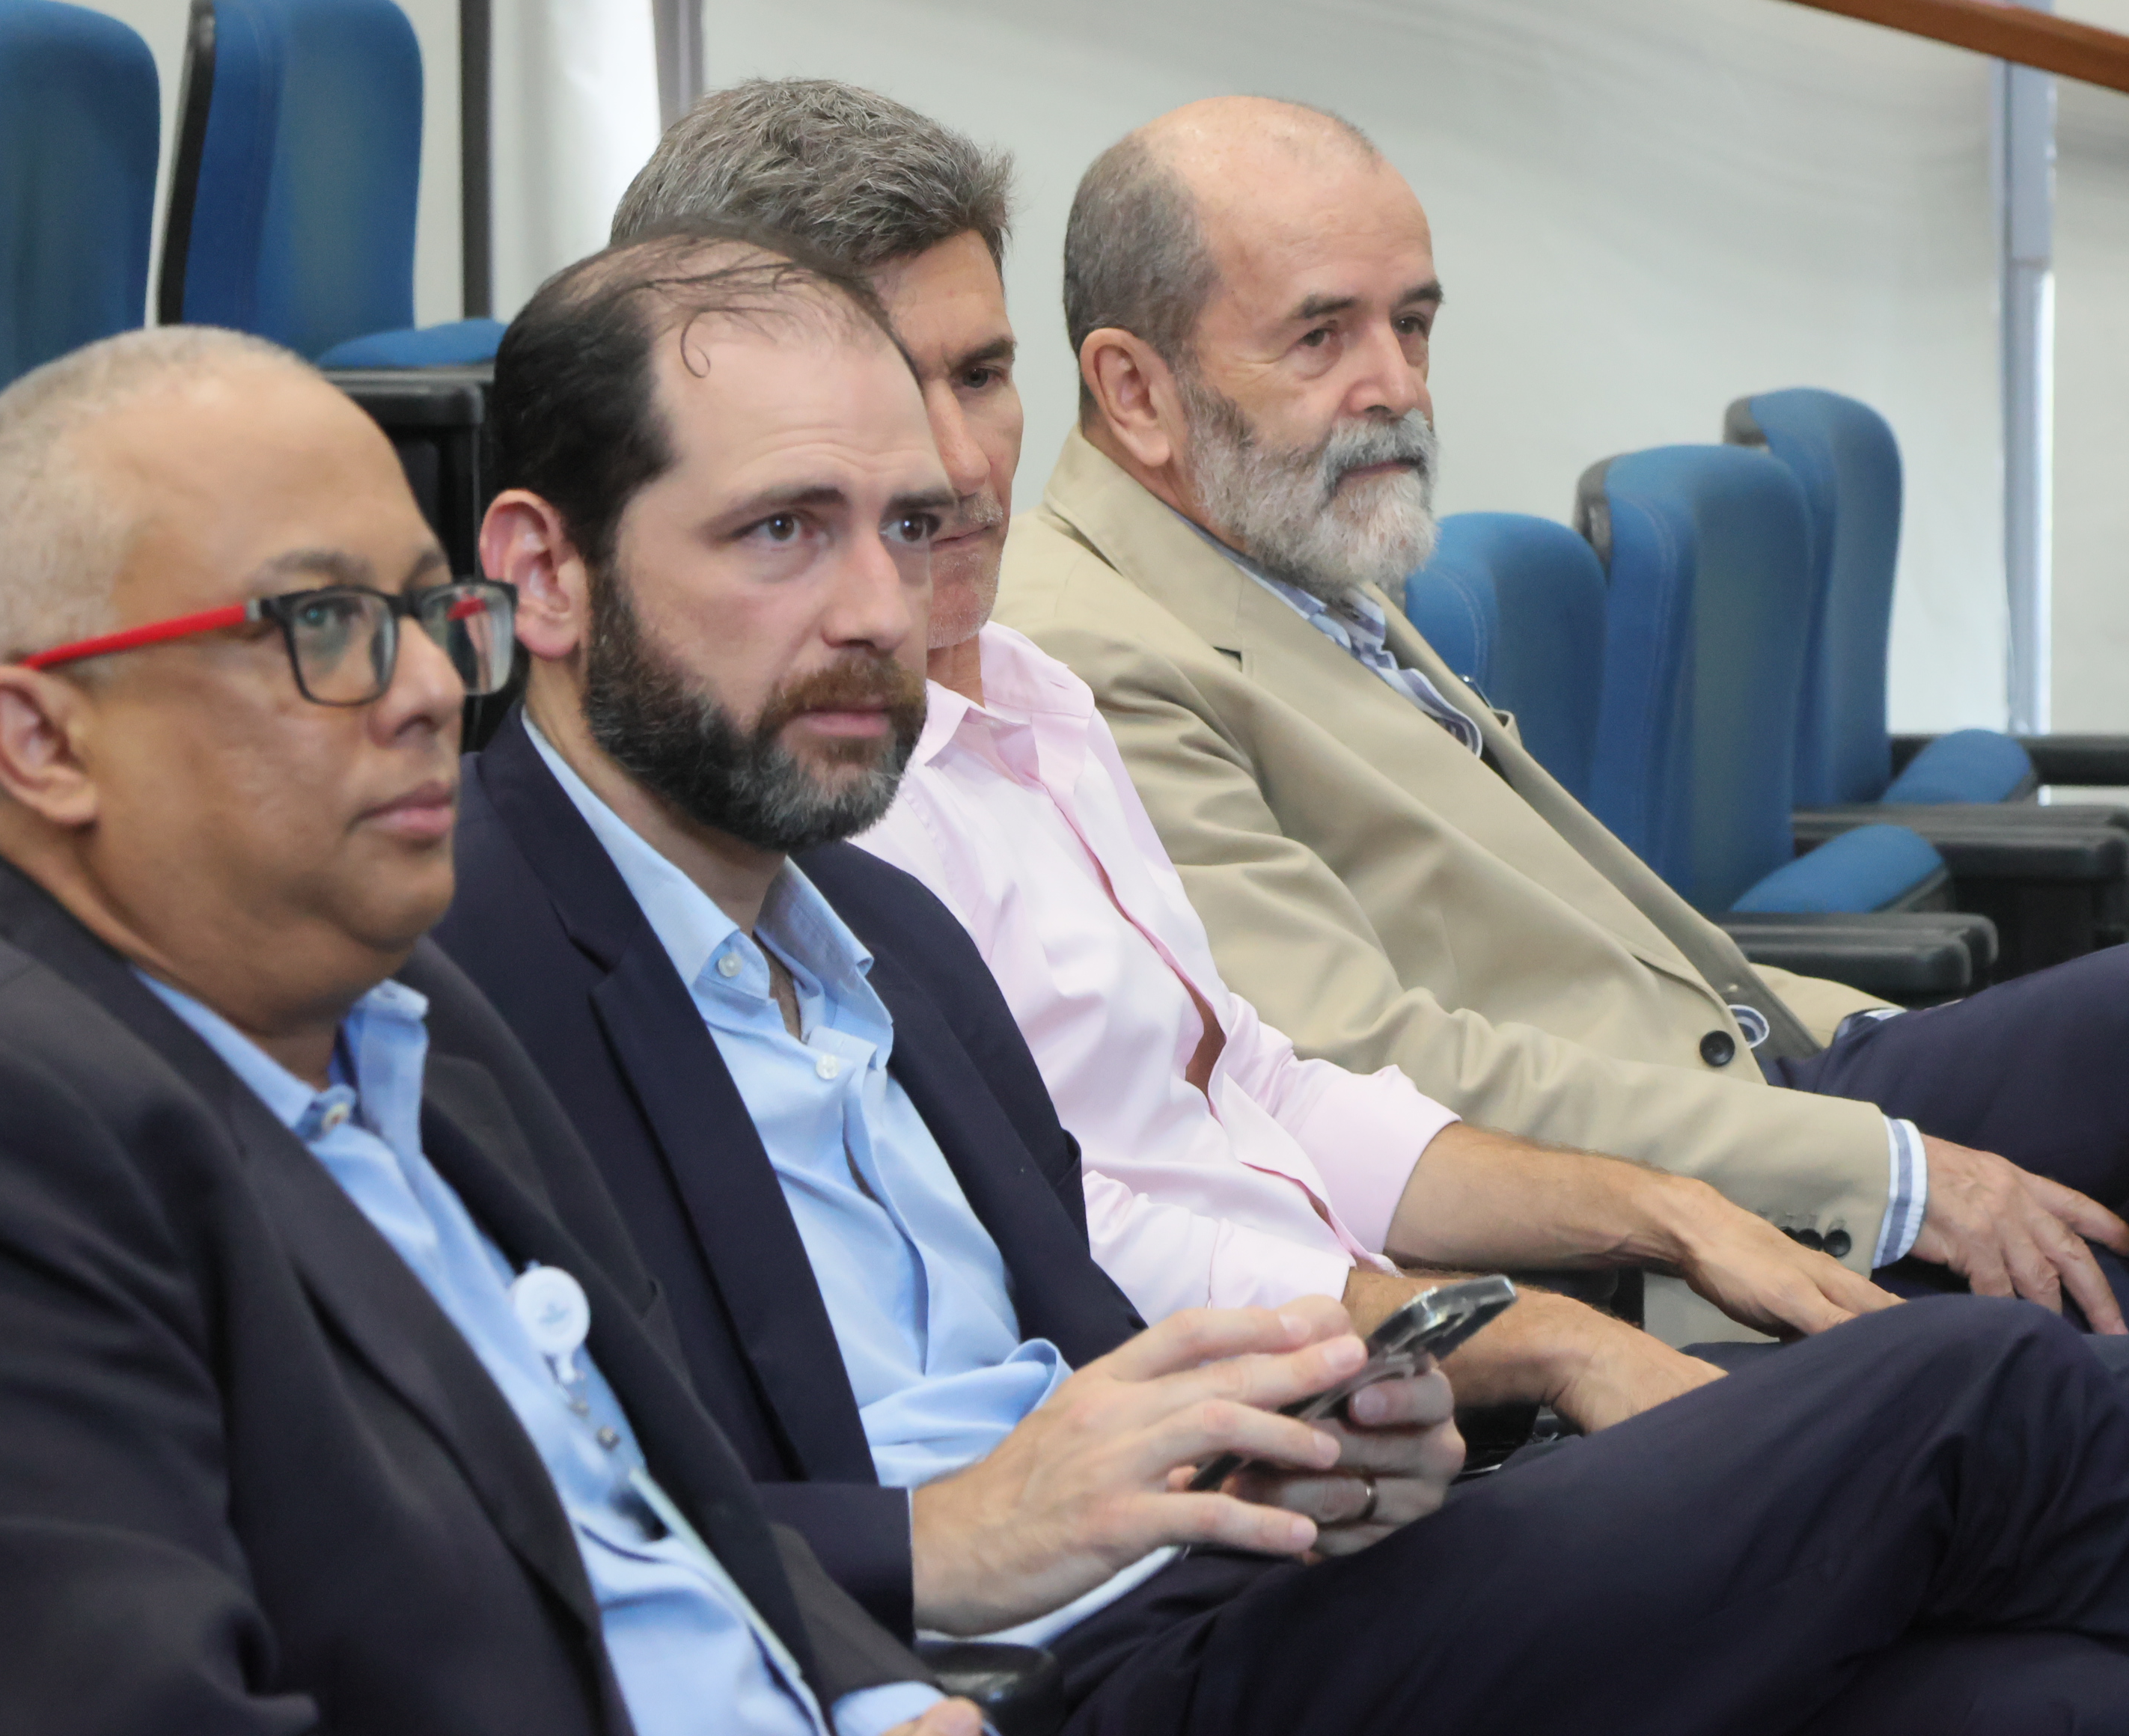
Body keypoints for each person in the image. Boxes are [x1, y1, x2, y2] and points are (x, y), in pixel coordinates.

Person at [436, 222, 2129, 1731]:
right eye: (784, 532)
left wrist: (1296, 1444)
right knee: (1972, 1387)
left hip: (1223, 1575)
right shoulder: (443, 988)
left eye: (907, 526)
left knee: (2041, 1694)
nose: (880, 606)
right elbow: (474, 1535)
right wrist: (948, 1535)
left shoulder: (887, 928)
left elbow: (1122, 1284)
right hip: (1008, 1678)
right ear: (543, 572)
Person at [0, 327, 978, 1736]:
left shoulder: (393, 1004)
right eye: (326, 627)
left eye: (430, 613)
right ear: (44, 741)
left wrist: (888, 1703)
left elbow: (663, 1503)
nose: (431, 691)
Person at [605, 77, 1910, 1437]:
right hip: (1253, 1441)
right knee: (1984, 1405)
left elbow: (1260, 1084)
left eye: (984, 377)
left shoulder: (1040, 691)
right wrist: (1523, 1344)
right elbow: (1065, 1231)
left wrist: (1667, 1214)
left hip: (1384, 1372)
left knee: (1987, 1390)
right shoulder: (815, 799)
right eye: (881, 391)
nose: (960, 465)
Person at [997, 94, 2129, 1342]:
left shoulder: (1283, 543)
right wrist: (1889, 1172)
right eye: (1321, 336)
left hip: (1751, 1073)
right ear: (1135, 390)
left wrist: (1873, 1043)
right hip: (1643, 1220)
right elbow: (1365, 1074)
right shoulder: (1087, 652)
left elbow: (1605, 954)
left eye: (1412, 324)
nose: (1397, 387)